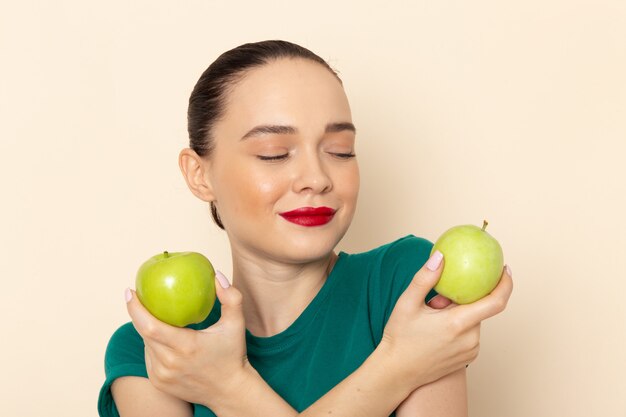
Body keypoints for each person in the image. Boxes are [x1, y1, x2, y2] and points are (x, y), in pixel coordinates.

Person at [98, 40, 513, 417]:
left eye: (339, 151)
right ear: (199, 174)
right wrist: (397, 368)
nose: (316, 177)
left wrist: (229, 391)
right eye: (274, 153)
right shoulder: (158, 349)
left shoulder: (409, 285)